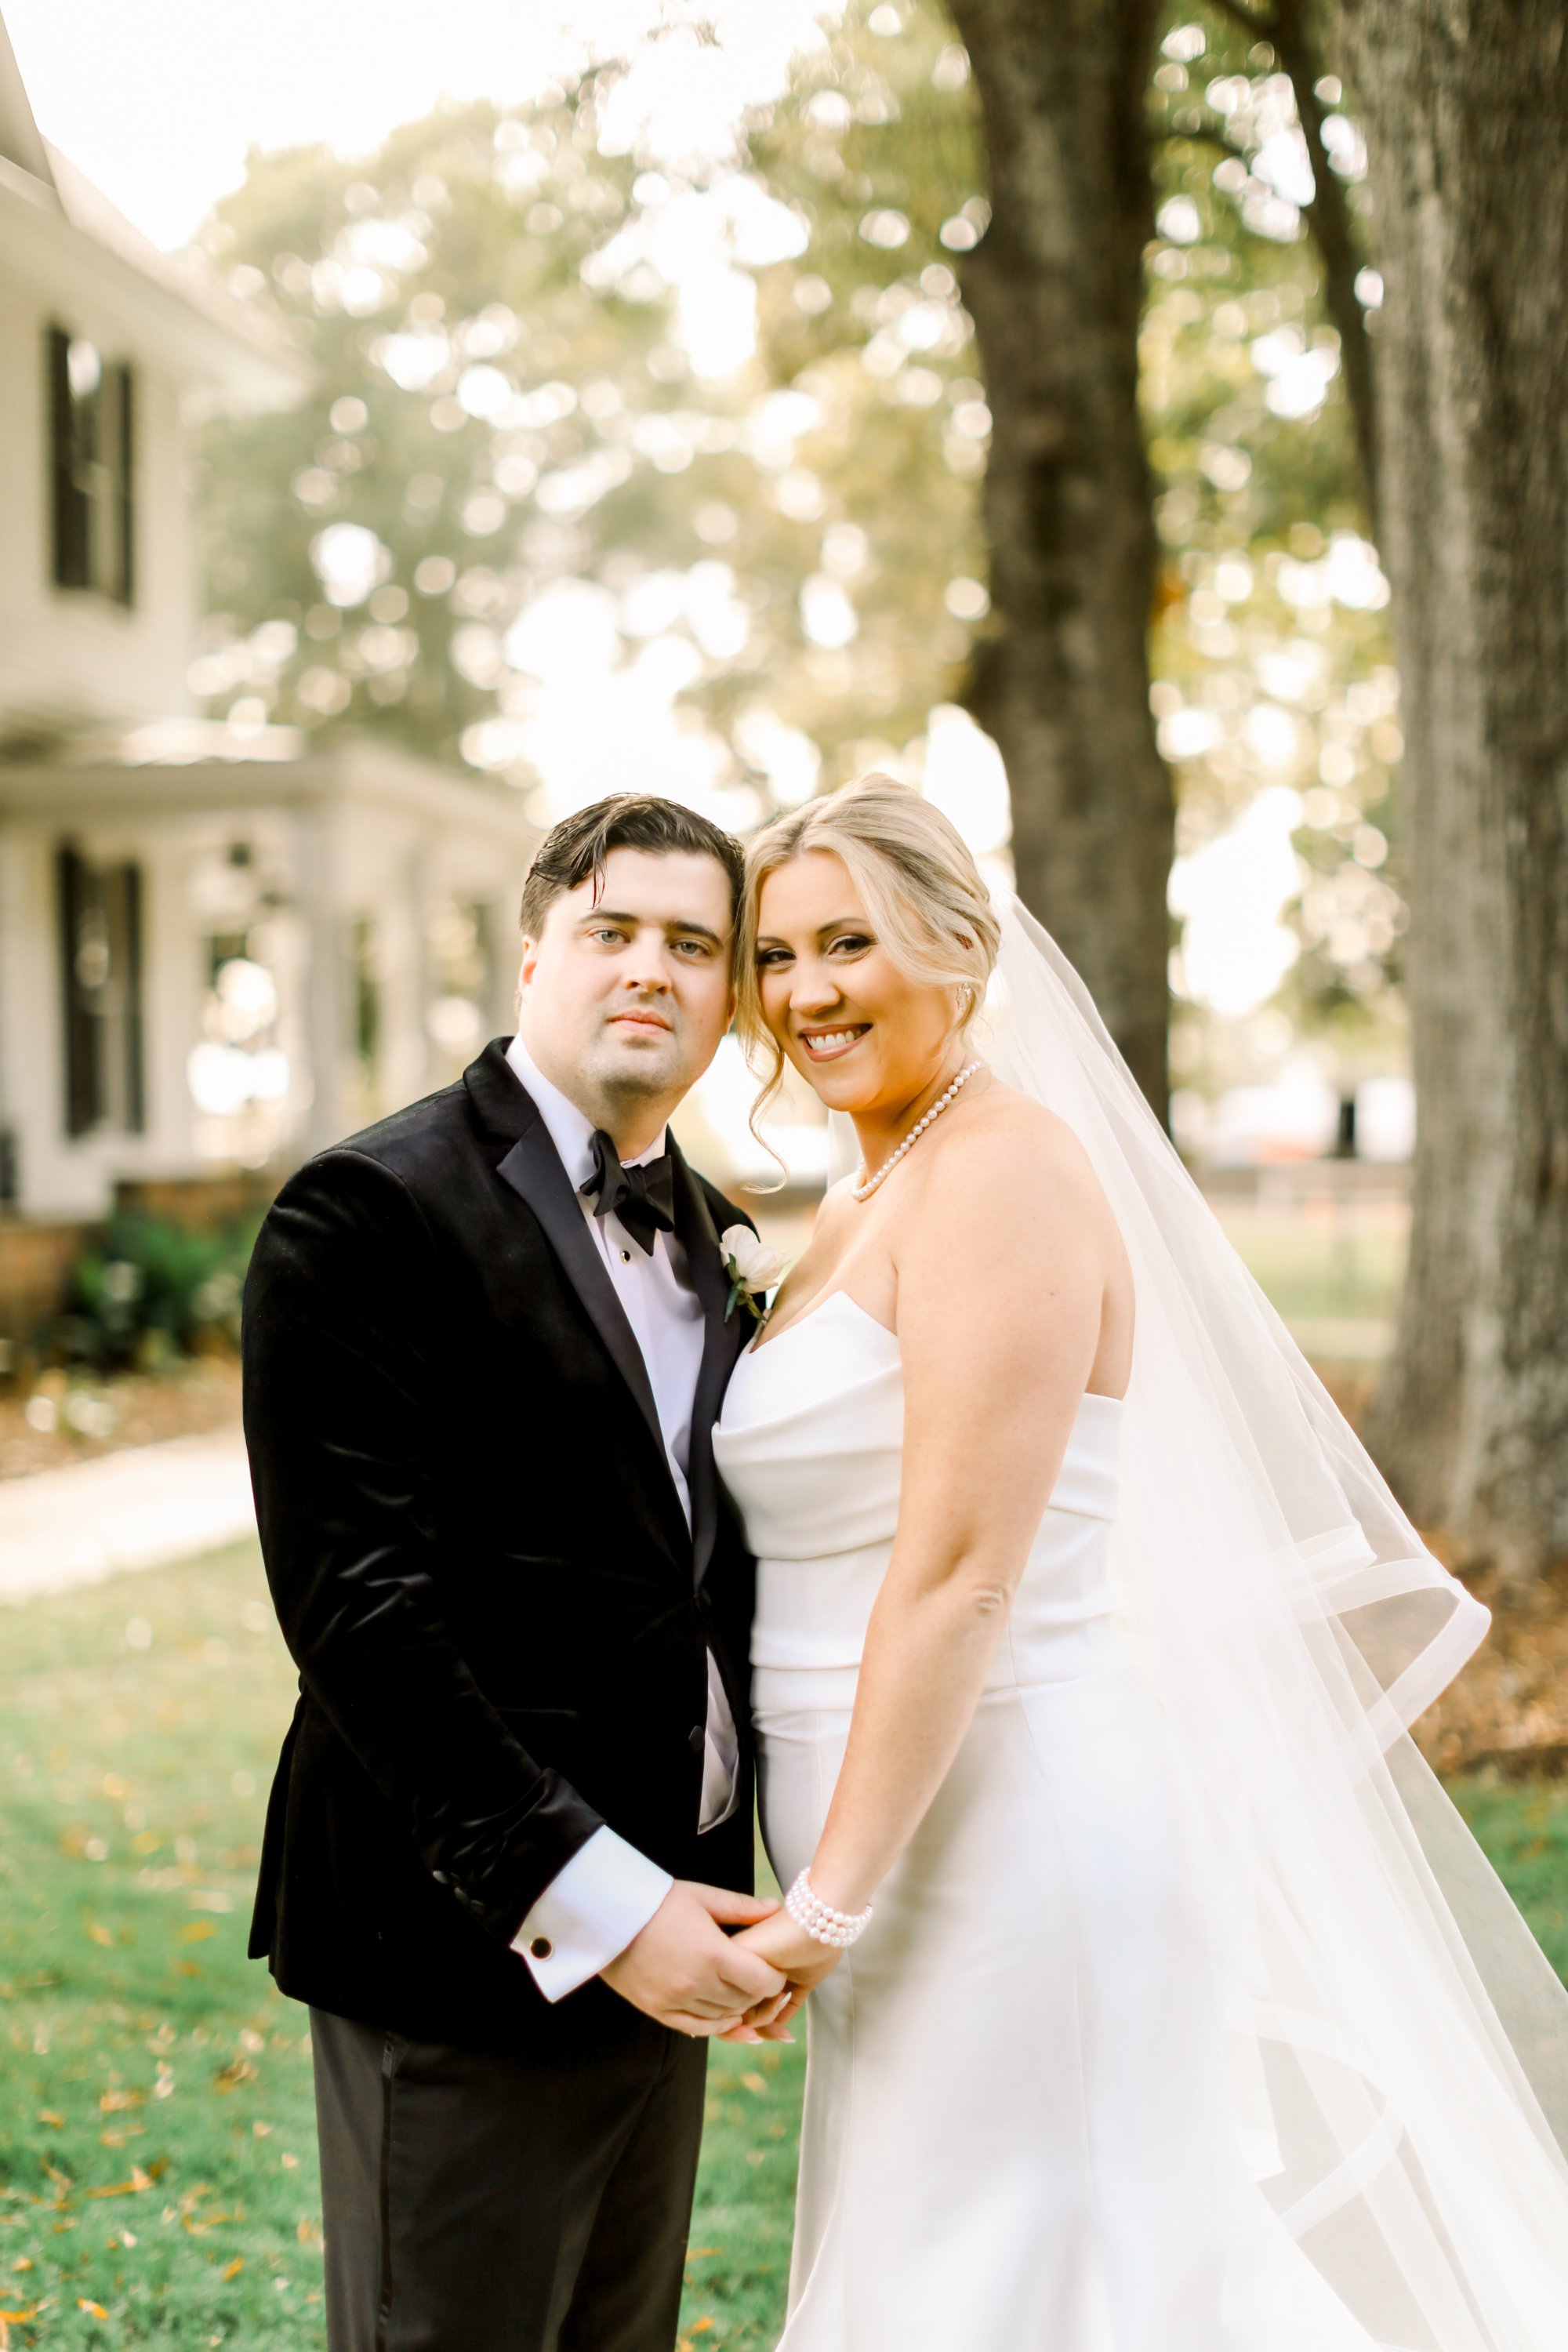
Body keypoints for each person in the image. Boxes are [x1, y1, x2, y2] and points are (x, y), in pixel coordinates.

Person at [712, 774, 1568, 2349]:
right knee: (954, 2261)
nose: (806, 994)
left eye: (849, 943)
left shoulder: (1004, 1171)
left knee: (1054, 2276)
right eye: (773, 958)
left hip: (1008, 1826)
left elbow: (965, 1570)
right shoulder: (861, 1188)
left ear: (962, 945)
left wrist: (827, 1903)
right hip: (889, 1833)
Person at [243, 793, 792, 2352]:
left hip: (678, 1931)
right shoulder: (368, 1212)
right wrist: (607, 1907)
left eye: (693, 944)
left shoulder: (717, 1238)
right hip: (465, 1936)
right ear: (533, 954)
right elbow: (362, 1621)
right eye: (613, 929)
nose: (651, 968)